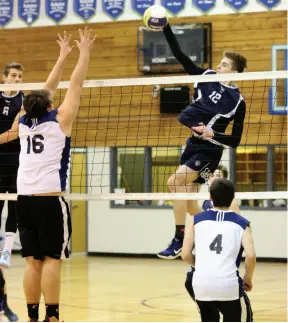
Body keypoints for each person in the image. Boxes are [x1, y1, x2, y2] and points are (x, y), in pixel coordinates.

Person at [0, 27, 96, 322]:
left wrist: (63, 55)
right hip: (49, 201)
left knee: (32, 263)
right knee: (52, 259)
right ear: (51, 106)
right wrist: (83, 53)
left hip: (25, 200)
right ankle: (52, 317)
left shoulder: (23, 123)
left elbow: (46, 90)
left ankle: (32, 316)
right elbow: (76, 85)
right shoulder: (61, 121)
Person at [157, 23, 247, 259]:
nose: (218, 66)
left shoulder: (238, 101)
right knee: (187, 202)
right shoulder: (205, 77)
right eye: (219, 62)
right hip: (192, 146)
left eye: (224, 65)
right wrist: (166, 28)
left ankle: (179, 238)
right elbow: (180, 55)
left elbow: (236, 140)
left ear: (235, 73)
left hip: (210, 152)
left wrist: (212, 134)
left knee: (174, 182)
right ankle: (212, 222)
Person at [182, 178, 255, 322]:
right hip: (228, 285)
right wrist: (248, 278)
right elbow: (251, 255)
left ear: (210, 198)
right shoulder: (243, 223)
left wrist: (201, 267)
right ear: (233, 198)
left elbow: (185, 254)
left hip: (201, 285)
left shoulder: (195, 220)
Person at [0, 62, 25, 321]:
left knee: (15, 205)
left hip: (17, 161)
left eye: (20, 77)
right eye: (14, 76)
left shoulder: (25, 101)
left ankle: (7, 249)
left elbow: (15, 133)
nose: (17, 80)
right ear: (4, 78)